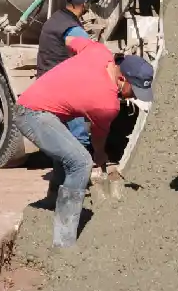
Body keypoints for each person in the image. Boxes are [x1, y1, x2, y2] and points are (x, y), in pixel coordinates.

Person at [14, 35, 154, 247]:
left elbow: (70, 39)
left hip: (38, 106)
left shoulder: (99, 51)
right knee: (81, 162)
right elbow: (98, 139)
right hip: (32, 115)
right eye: (133, 91)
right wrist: (100, 156)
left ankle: (53, 201)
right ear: (122, 79)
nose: (132, 96)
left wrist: (73, 76)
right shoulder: (108, 103)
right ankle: (64, 239)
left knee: (69, 152)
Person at [35, 0, 100, 151]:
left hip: (47, 82)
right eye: (89, 3)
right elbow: (89, 56)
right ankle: (80, 171)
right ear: (84, 4)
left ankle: (60, 175)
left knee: (61, 137)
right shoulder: (73, 29)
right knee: (78, 136)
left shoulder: (55, 19)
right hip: (63, 87)